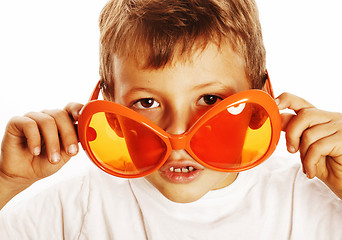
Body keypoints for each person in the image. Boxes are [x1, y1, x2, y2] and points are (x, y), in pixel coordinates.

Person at [1, 0, 342, 239]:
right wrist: (7, 181)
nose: (178, 132)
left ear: (260, 100)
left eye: (210, 99)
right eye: (146, 102)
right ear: (111, 112)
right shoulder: (75, 210)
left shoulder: (312, 199)